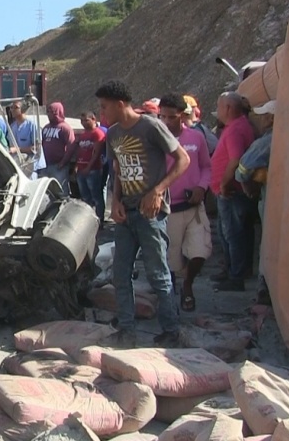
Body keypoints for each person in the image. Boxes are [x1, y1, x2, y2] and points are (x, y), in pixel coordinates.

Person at [96, 80, 190, 346]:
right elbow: (117, 171)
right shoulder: (113, 134)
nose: (102, 113)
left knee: (158, 273)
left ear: (120, 104)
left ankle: (171, 330)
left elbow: (183, 159)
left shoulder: (151, 127)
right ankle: (127, 329)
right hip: (126, 213)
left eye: (105, 107)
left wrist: (158, 190)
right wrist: (115, 201)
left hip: (151, 213)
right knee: (120, 273)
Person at [158, 94, 213, 312]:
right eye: (162, 116)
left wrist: (202, 187)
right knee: (171, 259)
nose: (166, 122)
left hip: (194, 207)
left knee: (201, 252)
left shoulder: (196, 138)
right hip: (169, 209)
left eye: (171, 117)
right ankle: (170, 297)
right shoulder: (156, 141)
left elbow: (207, 167)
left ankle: (188, 285)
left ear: (182, 116)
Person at [210, 91, 256, 291]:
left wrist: (224, 183)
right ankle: (233, 270)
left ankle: (235, 275)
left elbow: (235, 159)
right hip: (232, 190)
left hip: (231, 191)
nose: (217, 111)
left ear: (228, 108)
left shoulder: (236, 129)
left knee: (232, 233)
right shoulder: (238, 127)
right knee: (233, 232)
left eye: (219, 107)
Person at [235, 99, 275, 305]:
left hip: (273, 200)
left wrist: (248, 189)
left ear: (270, 118)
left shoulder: (267, 141)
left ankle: (266, 289)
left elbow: (243, 169)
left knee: (269, 243)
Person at [74, 111, 107, 221]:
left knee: (96, 197)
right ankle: (88, 221)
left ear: (93, 119)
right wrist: (76, 165)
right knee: (85, 198)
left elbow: (96, 153)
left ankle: (99, 220)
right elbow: (79, 150)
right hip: (81, 169)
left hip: (93, 170)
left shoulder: (98, 133)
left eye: (86, 120)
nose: (83, 123)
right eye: (82, 121)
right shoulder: (83, 135)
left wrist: (89, 167)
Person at [38, 102, 76, 194]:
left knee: (61, 190)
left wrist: (63, 162)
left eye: (50, 112)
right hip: (45, 165)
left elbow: (71, 146)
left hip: (58, 166)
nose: (48, 114)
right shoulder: (46, 128)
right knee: (45, 191)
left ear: (56, 112)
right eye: (47, 111)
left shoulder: (65, 128)